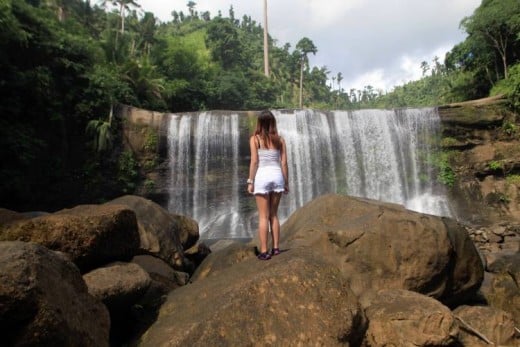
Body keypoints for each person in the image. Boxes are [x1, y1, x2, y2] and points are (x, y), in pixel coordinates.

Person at [247, 110, 289, 260]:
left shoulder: (255, 139)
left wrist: (250, 181)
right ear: (273, 123)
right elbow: (284, 163)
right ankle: (276, 248)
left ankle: (264, 251)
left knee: (263, 217)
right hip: (277, 176)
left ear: (259, 123)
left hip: (262, 176)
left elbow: (254, 162)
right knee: (274, 215)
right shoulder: (280, 140)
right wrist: (286, 182)